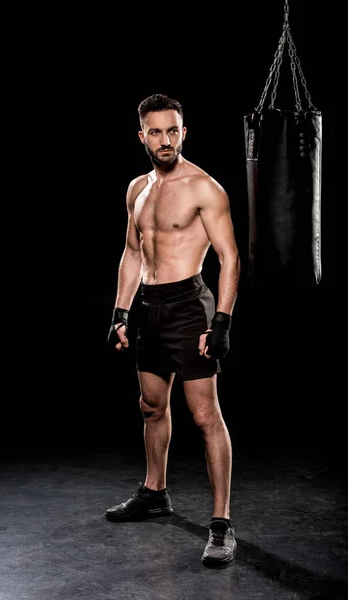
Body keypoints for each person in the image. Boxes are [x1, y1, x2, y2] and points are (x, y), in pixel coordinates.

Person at [105, 93, 241, 566]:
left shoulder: (205, 188)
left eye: (174, 130)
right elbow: (133, 252)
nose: (166, 140)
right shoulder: (137, 189)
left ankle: (221, 525)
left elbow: (230, 258)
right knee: (150, 405)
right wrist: (120, 312)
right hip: (151, 308)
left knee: (206, 417)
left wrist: (221, 321)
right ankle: (154, 492)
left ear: (185, 132)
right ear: (142, 136)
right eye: (156, 132)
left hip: (190, 307)